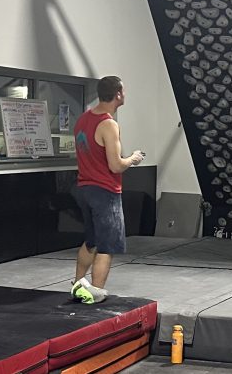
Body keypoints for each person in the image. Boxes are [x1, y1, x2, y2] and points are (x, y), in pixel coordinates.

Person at [70, 76, 145, 304]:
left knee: (91, 240)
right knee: (106, 245)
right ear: (118, 94)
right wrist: (132, 158)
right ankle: (95, 293)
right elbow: (115, 165)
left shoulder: (82, 120)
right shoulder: (108, 124)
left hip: (84, 188)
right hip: (105, 191)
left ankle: (78, 284)